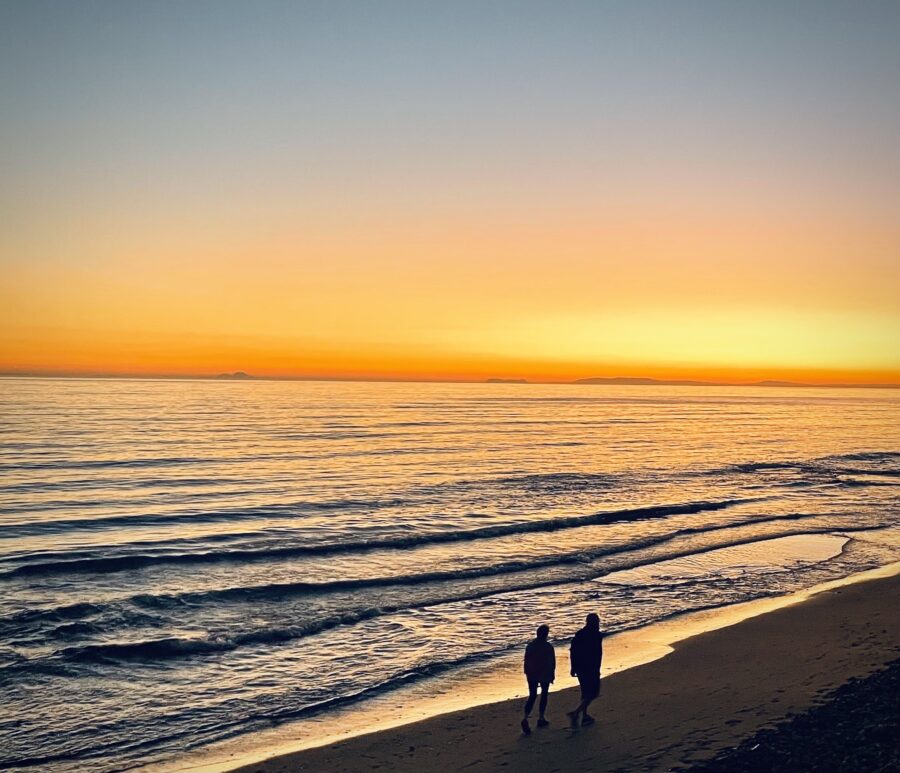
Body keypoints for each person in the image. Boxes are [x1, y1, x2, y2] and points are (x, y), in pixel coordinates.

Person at [567, 612, 603, 728]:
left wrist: (573, 667)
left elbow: (573, 651)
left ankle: (584, 715)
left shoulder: (580, 634)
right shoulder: (597, 635)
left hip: (581, 667)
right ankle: (577, 713)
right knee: (593, 692)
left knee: (585, 692)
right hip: (591, 667)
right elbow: (598, 654)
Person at [521, 623, 555, 735]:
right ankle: (541, 717)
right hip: (544, 672)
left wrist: (527, 672)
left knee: (532, 695)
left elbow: (526, 661)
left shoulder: (530, 646)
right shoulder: (548, 647)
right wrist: (552, 674)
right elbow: (551, 662)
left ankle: (525, 717)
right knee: (544, 694)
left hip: (532, 673)